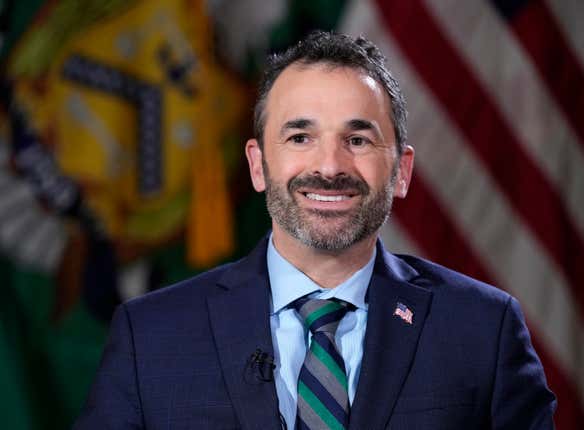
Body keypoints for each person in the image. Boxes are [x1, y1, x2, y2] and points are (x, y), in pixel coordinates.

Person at [74, 31, 556, 430]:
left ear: (401, 172)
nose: (329, 166)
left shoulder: (481, 330)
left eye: (358, 139)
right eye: (300, 137)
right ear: (258, 165)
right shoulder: (151, 337)